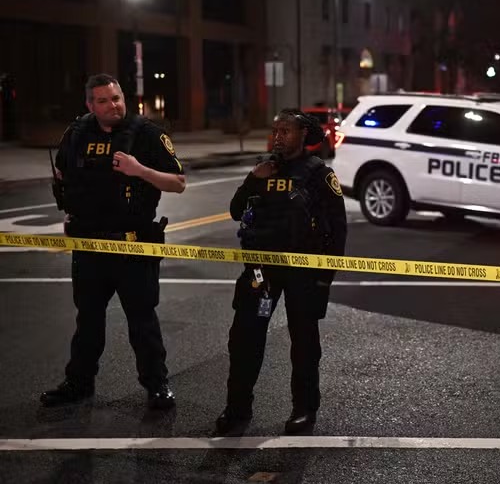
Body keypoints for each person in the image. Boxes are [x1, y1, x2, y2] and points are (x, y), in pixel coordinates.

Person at [40, 73, 186, 409]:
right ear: (90, 105)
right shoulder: (76, 133)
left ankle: (157, 385)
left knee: (142, 321)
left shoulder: (147, 134)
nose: (113, 105)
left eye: (116, 98)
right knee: (88, 320)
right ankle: (79, 383)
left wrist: (139, 170)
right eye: (103, 101)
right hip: (89, 247)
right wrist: (72, 211)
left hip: (132, 245)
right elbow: (64, 174)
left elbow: (178, 183)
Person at [216, 109, 347, 435]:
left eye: (286, 131)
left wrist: (324, 279)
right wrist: (253, 179)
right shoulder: (263, 169)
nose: (278, 136)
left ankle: (304, 410)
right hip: (262, 273)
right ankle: (237, 409)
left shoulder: (319, 174)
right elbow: (235, 211)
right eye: (276, 130)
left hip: (303, 272)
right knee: (244, 339)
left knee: (304, 343)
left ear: (303, 135)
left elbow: (338, 231)